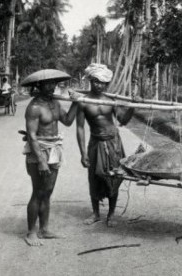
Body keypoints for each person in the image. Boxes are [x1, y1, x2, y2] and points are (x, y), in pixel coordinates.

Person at [76, 63, 135, 227]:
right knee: (94, 178)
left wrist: (132, 107)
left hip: (114, 143)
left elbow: (122, 121)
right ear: (90, 81)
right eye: (96, 81)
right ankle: (95, 213)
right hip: (96, 142)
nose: (99, 85)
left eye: (102, 82)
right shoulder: (83, 102)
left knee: (114, 177)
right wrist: (83, 153)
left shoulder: (111, 100)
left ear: (106, 84)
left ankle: (111, 214)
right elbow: (80, 128)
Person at [22, 76, 79, 246]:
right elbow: (31, 136)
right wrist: (41, 161)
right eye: (47, 83)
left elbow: (68, 121)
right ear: (39, 85)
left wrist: (76, 103)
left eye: (53, 83)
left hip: (54, 149)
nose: (51, 87)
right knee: (37, 192)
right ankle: (31, 232)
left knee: (47, 192)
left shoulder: (54, 103)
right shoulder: (34, 107)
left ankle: (44, 229)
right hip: (38, 150)